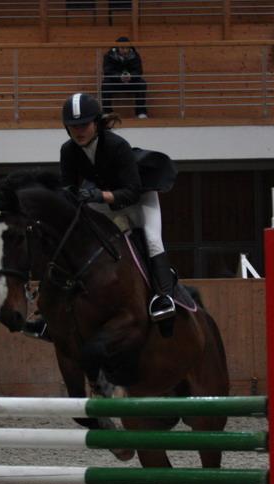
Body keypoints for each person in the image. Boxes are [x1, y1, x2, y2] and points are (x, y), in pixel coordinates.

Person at [62, 93, 175, 318]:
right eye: (73, 126)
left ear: (96, 123)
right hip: (103, 199)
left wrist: (99, 196)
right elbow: (68, 190)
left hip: (139, 197)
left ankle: (164, 297)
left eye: (84, 125)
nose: (79, 131)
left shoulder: (117, 145)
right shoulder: (68, 150)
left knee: (153, 241)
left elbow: (131, 192)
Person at [101, 37, 148, 119]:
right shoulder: (109, 55)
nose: (125, 50)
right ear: (117, 48)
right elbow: (107, 71)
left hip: (131, 81)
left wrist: (131, 76)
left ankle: (141, 112)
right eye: (122, 48)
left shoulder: (135, 55)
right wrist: (119, 76)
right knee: (105, 84)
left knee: (142, 83)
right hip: (115, 82)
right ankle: (107, 112)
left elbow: (139, 71)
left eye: (127, 48)